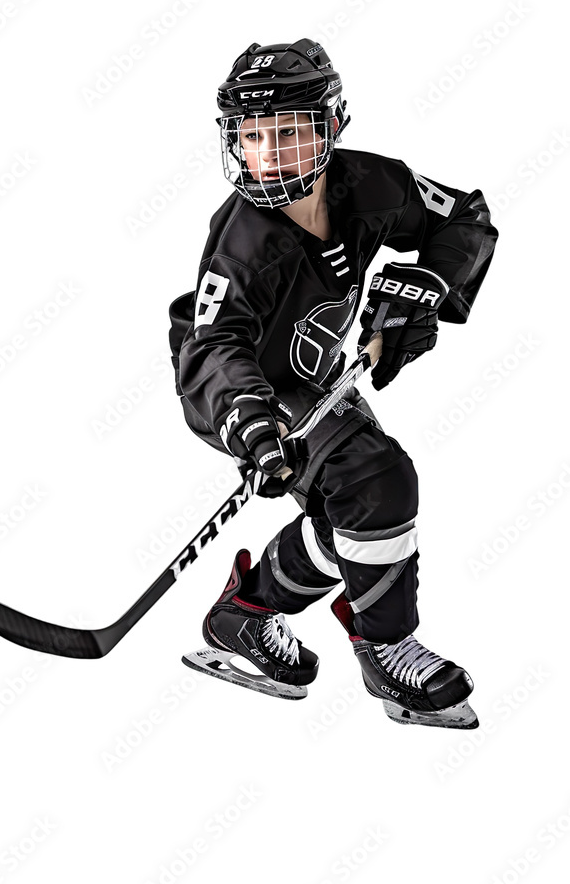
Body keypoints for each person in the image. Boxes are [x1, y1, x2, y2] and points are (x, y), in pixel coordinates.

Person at [168, 38, 498, 728]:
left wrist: (427, 284)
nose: (267, 153)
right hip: (242, 384)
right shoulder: (244, 241)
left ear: (332, 126)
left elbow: (463, 218)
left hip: (313, 375)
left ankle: (246, 613)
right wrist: (252, 423)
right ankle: (386, 645)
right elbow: (212, 345)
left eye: (288, 133)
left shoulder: (372, 185)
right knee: (376, 479)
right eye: (252, 136)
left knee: (346, 509)